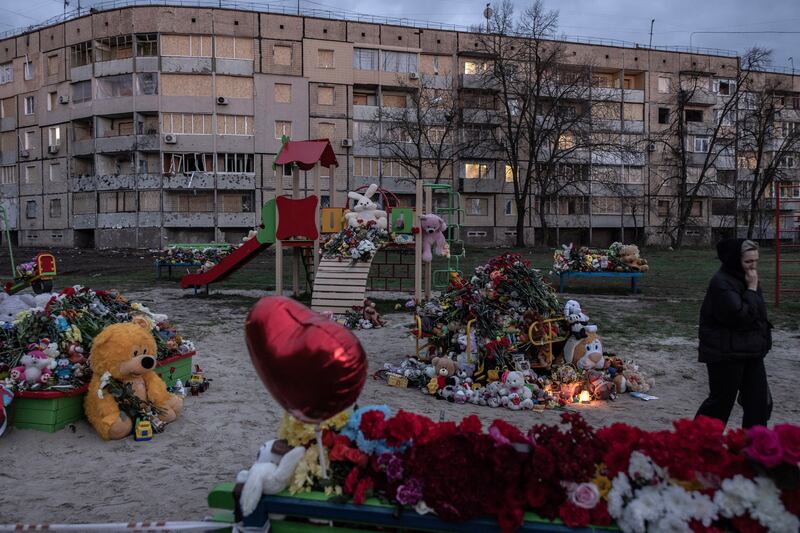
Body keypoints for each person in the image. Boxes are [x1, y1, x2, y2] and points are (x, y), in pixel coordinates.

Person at [696, 238, 772, 428]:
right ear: (734, 260)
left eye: (755, 261)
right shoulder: (721, 283)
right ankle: (697, 445)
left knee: (759, 403)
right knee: (719, 406)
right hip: (724, 353)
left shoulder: (748, 278)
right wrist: (752, 290)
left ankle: (754, 449)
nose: (752, 267)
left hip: (751, 351)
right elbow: (740, 317)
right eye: (748, 262)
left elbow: (759, 314)